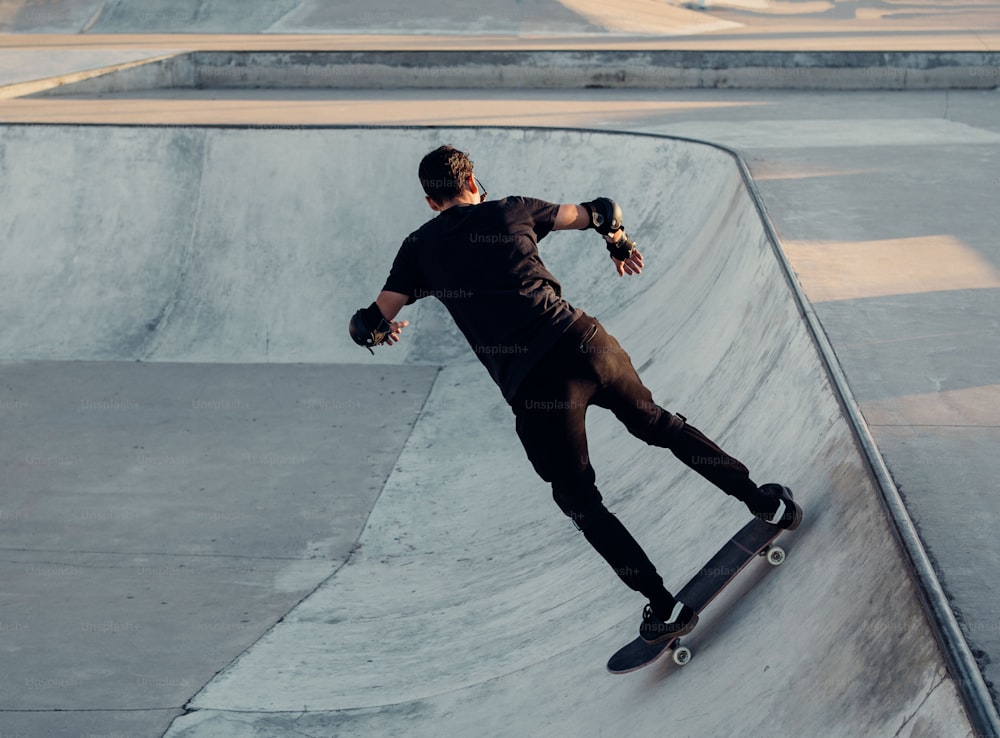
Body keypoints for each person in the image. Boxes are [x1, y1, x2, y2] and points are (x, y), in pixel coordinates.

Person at [349, 144, 802, 644]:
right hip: (586, 344)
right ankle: (763, 501)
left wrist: (379, 334)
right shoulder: (513, 208)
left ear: (431, 202)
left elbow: (366, 321)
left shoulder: (419, 249)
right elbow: (602, 211)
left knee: (580, 499)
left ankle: (665, 606)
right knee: (659, 424)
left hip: (537, 388)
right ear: (474, 183)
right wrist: (620, 243)